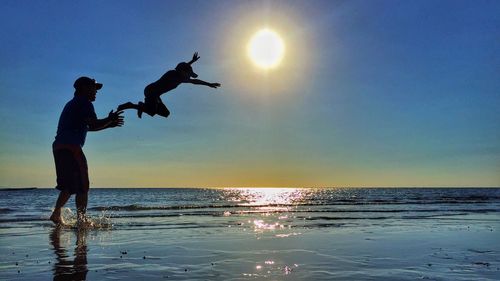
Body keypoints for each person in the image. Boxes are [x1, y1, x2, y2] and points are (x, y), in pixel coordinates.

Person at [50, 76, 124, 226]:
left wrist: (108, 124)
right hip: (71, 147)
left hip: (59, 147)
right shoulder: (85, 103)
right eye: (94, 88)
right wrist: (109, 119)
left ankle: (56, 214)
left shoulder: (72, 104)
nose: (96, 92)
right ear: (84, 88)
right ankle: (81, 220)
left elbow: (90, 127)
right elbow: (93, 123)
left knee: (69, 186)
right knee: (83, 186)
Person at [117, 52, 221, 118]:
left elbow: (192, 77)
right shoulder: (172, 75)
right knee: (151, 111)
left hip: (156, 95)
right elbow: (184, 71)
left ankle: (143, 106)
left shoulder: (180, 77)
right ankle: (132, 105)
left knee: (165, 113)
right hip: (151, 91)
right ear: (182, 72)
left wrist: (209, 84)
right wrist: (189, 66)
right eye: (188, 74)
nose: (189, 77)